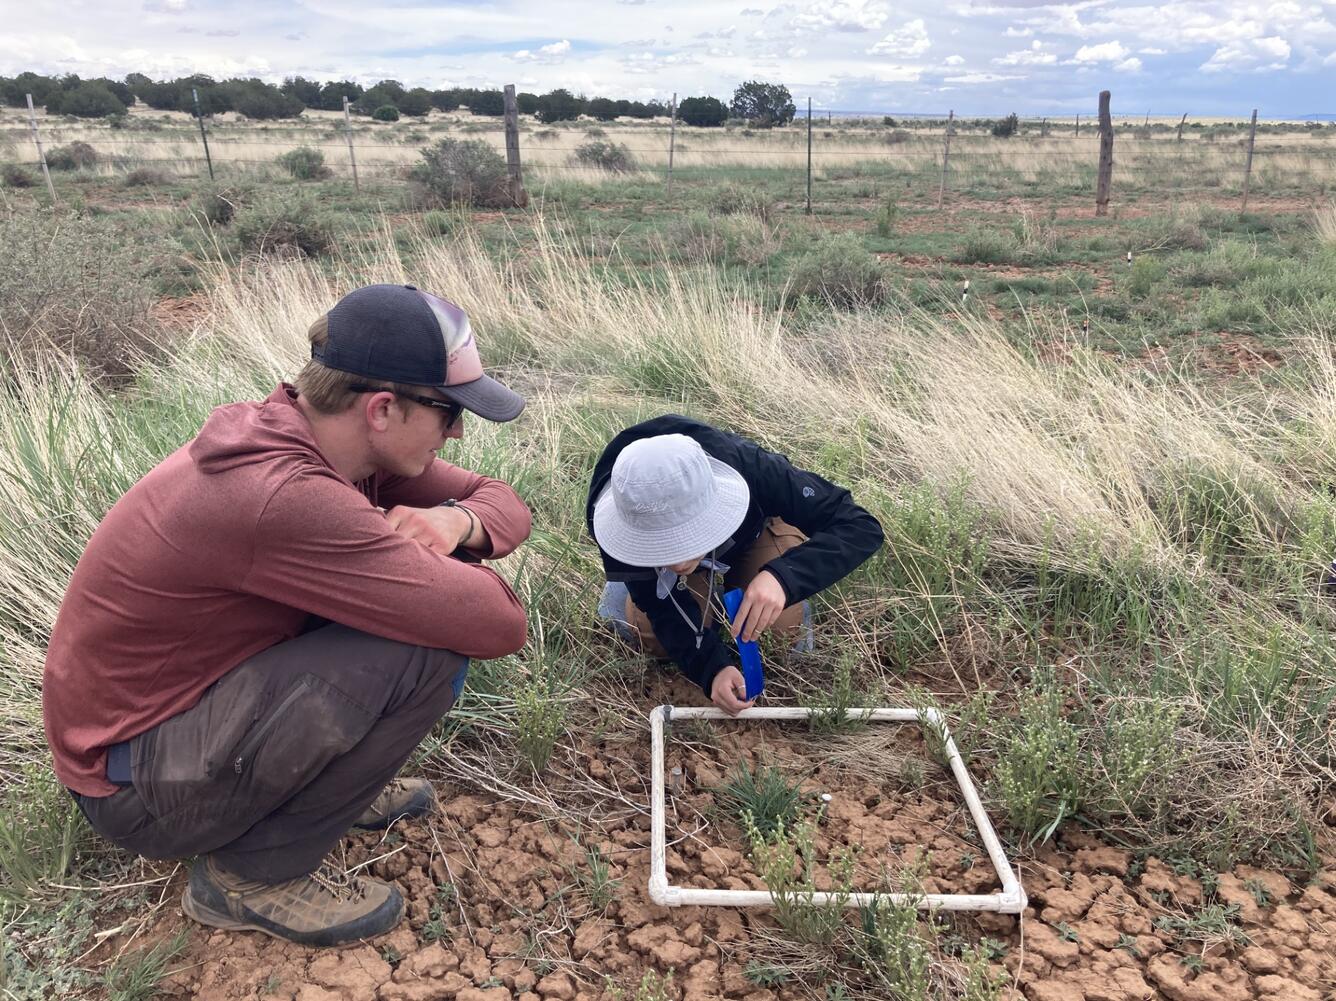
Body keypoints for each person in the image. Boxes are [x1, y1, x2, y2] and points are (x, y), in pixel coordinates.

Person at [42, 284, 532, 947]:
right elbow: (499, 623)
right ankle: (249, 876)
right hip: (135, 788)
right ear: (382, 408)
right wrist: (448, 555)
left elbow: (501, 499)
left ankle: (317, 790)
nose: (457, 432)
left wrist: (456, 521)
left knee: (416, 601)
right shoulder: (285, 495)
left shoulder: (322, 439)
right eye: (448, 412)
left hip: (154, 738)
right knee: (426, 648)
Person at [586, 416, 883, 714]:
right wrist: (712, 670)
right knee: (654, 636)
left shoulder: (752, 468)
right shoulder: (617, 507)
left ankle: (763, 572)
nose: (677, 562)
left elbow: (859, 527)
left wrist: (784, 578)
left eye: (683, 539)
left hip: (749, 536)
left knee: (778, 627)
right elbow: (663, 610)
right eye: (661, 545)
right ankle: (624, 585)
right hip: (656, 570)